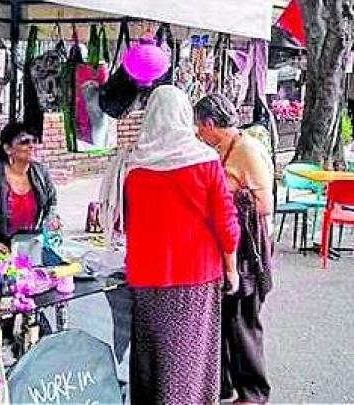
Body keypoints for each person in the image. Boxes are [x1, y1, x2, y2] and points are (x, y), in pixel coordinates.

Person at [100, 85, 241, 404]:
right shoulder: (205, 160)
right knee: (190, 359)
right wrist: (231, 268)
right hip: (195, 278)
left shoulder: (134, 166)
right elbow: (226, 223)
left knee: (154, 357)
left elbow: (126, 222)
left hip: (148, 278)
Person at [195, 93, 274, 404]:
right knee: (225, 318)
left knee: (243, 321)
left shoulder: (247, 150)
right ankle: (223, 384)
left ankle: (254, 393)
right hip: (228, 244)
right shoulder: (222, 149)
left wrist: (225, 201)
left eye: (199, 126)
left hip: (248, 249)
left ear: (210, 124)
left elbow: (264, 204)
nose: (198, 132)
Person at [0, 122, 57, 248]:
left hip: (32, 245)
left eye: (34, 141)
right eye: (24, 142)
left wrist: (52, 220)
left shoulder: (41, 173)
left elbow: (51, 203)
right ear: (8, 149)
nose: (32, 146)